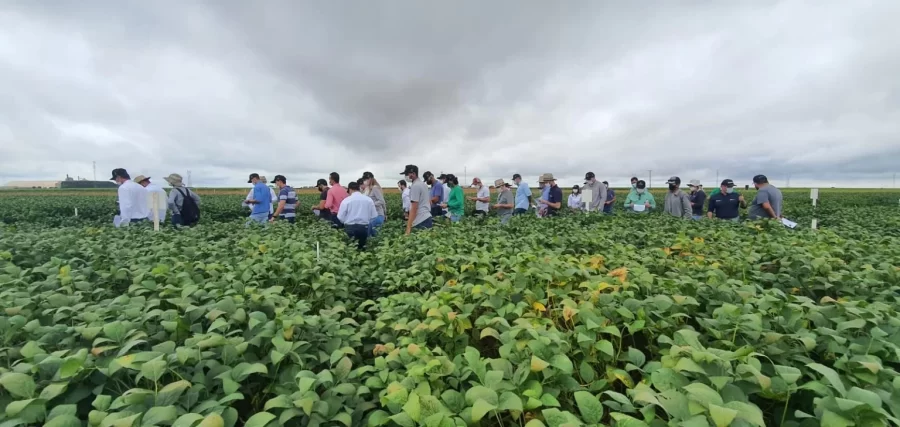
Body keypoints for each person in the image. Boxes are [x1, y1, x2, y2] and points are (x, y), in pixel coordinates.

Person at [337, 181, 378, 250]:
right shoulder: (368, 200)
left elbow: (340, 217)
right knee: (362, 247)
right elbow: (374, 215)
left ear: (350, 189)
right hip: (364, 227)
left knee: (351, 248)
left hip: (350, 227)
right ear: (359, 188)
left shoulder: (346, 200)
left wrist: (346, 222)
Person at [401, 165, 433, 234]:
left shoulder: (415, 186)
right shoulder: (423, 184)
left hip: (420, 220)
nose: (406, 176)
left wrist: (408, 227)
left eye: (407, 174)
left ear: (413, 174)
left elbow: (414, 208)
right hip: (427, 217)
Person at [362, 172, 387, 236]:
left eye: (366, 179)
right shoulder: (368, 189)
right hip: (372, 216)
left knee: (375, 237)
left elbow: (382, 201)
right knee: (370, 236)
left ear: (370, 179)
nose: (365, 181)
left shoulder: (375, 188)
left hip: (377, 215)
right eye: (364, 179)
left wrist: (372, 204)